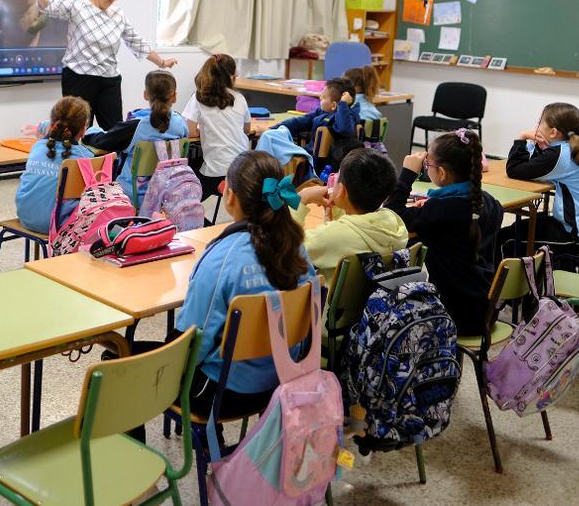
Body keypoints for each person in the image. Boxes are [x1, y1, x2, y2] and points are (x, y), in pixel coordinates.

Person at [175, 151, 318, 420]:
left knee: (122, 364)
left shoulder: (222, 257)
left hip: (224, 394)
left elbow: (192, 341)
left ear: (230, 196)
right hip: (283, 380)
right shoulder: (297, 247)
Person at [28, 0, 177, 130]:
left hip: (109, 81)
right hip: (78, 79)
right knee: (75, 131)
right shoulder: (79, 7)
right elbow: (48, 5)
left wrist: (162, 63)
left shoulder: (118, 15)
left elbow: (136, 42)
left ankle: (110, 158)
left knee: (114, 132)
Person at [386, 130, 502, 335]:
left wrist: (407, 173)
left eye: (427, 164)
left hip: (452, 314)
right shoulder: (491, 203)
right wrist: (432, 206)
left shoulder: (441, 211)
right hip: (485, 309)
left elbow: (391, 215)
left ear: (441, 173)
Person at [502, 102, 579, 257]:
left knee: (507, 237)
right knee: (521, 226)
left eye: (540, 122)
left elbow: (514, 170)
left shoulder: (558, 155)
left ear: (553, 132)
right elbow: (534, 166)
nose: (536, 126)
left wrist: (521, 137)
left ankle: (504, 280)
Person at [293, 148, 409, 282]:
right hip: (365, 301)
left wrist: (301, 199)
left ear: (341, 190)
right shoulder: (394, 222)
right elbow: (351, 233)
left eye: (337, 176)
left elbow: (286, 249)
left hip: (324, 302)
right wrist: (338, 209)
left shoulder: (334, 236)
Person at [15, 96, 95, 234]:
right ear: (83, 130)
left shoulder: (37, 147)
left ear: (52, 124)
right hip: (57, 224)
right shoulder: (86, 158)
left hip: (25, 217)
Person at [181, 53, 250, 201]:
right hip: (242, 171)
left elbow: (190, 130)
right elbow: (247, 130)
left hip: (214, 174)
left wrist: (206, 130)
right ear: (232, 76)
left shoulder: (199, 96)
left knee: (190, 165)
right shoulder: (240, 98)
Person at [117, 70, 189, 202]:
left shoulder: (135, 125)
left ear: (146, 94)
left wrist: (91, 131)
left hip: (132, 195)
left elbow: (101, 141)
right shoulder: (181, 124)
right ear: (174, 96)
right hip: (168, 195)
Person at [271, 77, 362, 165]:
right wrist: (273, 128)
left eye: (323, 97)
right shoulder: (322, 112)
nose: (320, 98)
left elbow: (345, 129)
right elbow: (300, 122)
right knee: (272, 135)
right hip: (310, 155)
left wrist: (342, 104)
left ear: (333, 105)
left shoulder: (348, 117)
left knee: (270, 141)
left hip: (313, 160)